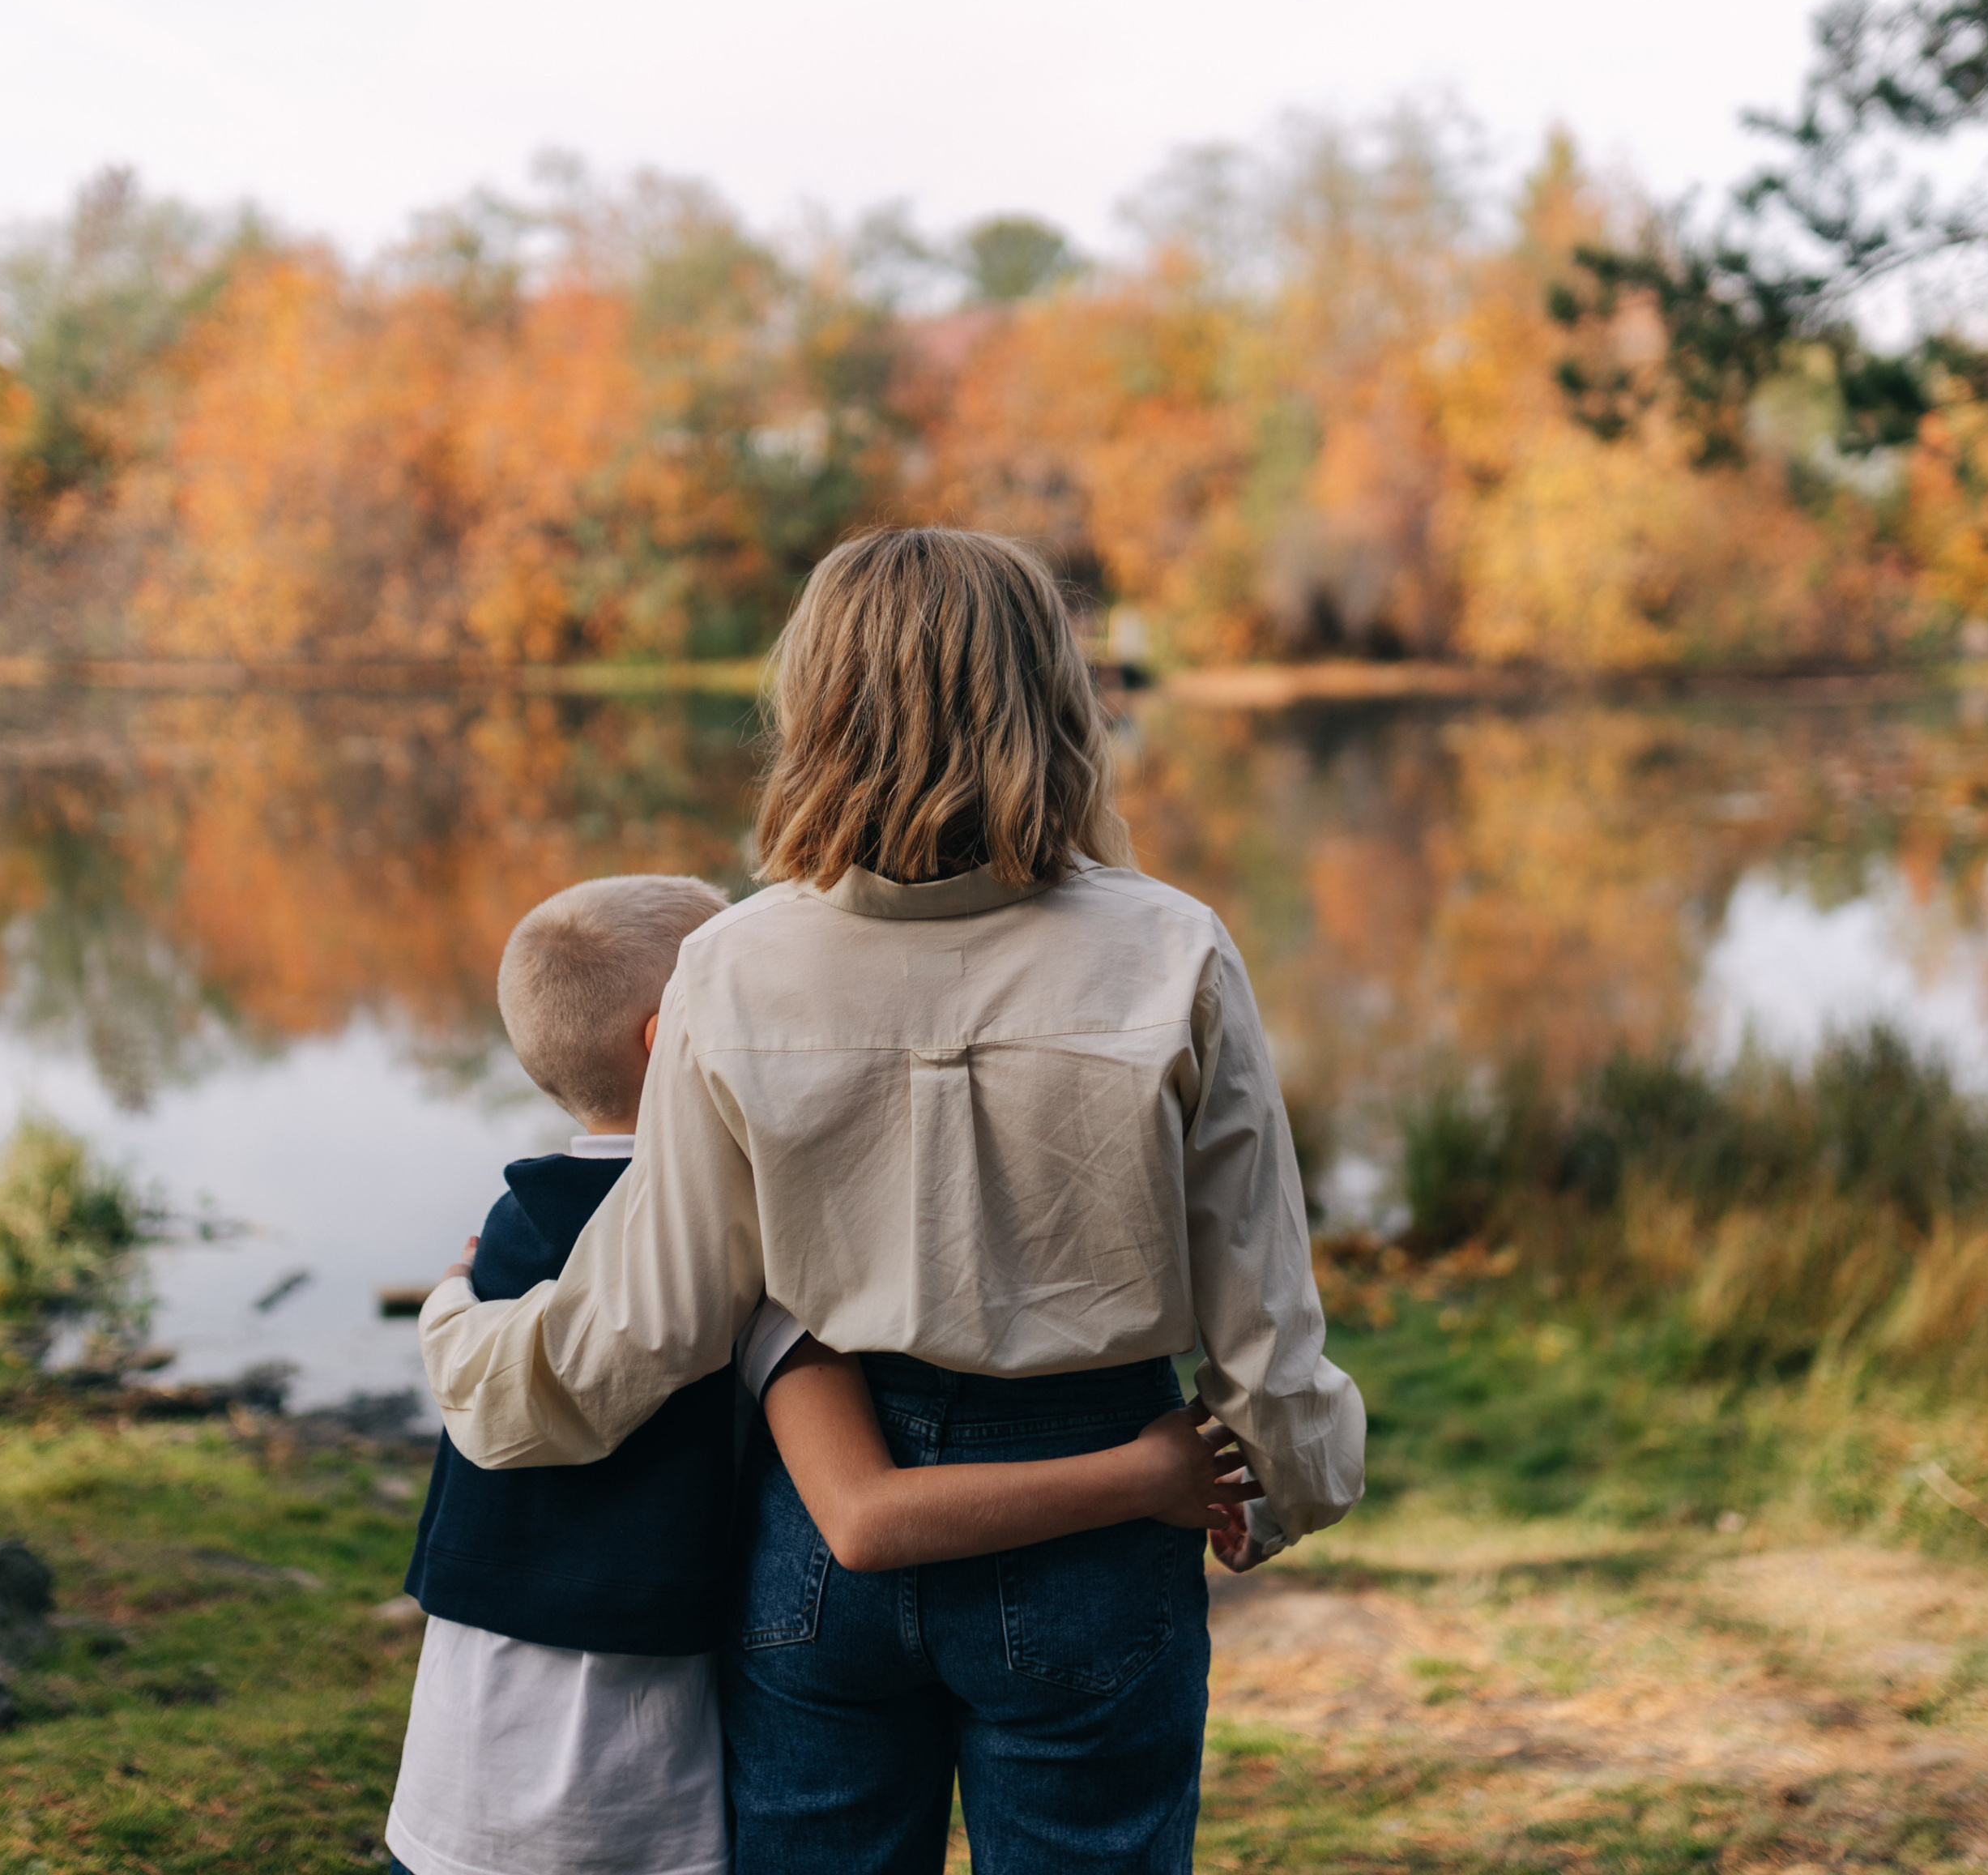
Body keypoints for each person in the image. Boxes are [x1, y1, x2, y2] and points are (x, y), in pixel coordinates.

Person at [422, 528, 1367, 1873]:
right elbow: (1264, 1311)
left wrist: (468, 1343)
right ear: (1053, 694)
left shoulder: (733, 965)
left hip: (827, 1521)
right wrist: (1275, 1484)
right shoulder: (1173, 948)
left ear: (816, 702)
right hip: (1099, 1512)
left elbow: (656, 1320)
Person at [389, 872, 1260, 1875]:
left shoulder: (503, 1235)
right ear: (676, 1031)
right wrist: (1148, 1474)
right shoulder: (740, 1256)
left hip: (460, 1759)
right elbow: (864, 1516)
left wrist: (445, 1308)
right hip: (620, 1788)